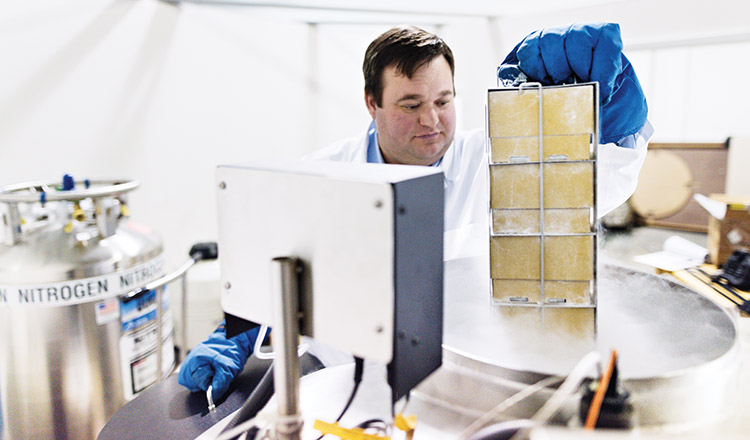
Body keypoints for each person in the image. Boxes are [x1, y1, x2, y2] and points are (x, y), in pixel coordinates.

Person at [178, 23, 653, 401]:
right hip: (341, 386)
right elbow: (276, 263)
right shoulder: (320, 177)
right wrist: (237, 329)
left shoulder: (497, 158)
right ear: (372, 103)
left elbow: (600, 178)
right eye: (410, 104)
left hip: (460, 383)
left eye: (443, 101)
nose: (432, 120)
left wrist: (614, 107)